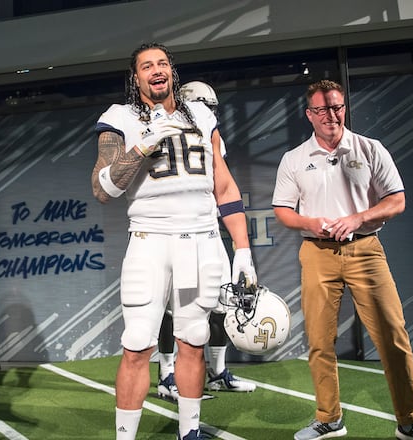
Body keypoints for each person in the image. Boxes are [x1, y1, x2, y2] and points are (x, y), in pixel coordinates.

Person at [91, 42, 255, 440]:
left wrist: (243, 249)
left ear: (172, 70)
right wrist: (142, 145)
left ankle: (190, 431)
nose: (156, 70)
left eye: (162, 63)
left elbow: (224, 183)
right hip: (150, 239)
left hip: (200, 239)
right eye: (147, 66)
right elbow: (102, 188)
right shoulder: (121, 118)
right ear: (136, 77)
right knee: (136, 344)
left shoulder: (200, 114)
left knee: (194, 339)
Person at [272, 79, 413, 440]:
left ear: (344, 108)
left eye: (336, 107)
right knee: (320, 341)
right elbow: (283, 211)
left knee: (393, 335)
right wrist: (312, 222)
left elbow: (396, 200)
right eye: (321, 109)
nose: (330, 115)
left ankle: (411, 421)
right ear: (309, 114)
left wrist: (358, 218)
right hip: (317, 253)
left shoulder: (369, 148)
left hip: (366, 250)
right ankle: (329, 419)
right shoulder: (295, 159)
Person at [156, 81, 257, 402]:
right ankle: (166, 376)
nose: (209, 114)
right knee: (173, 310)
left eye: (212, 108)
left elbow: (223, 186)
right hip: (175, 233)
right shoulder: (162, 133)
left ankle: (217, 373)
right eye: (204, 106)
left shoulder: (211, 136)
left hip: (209, 231)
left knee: (220, 303)